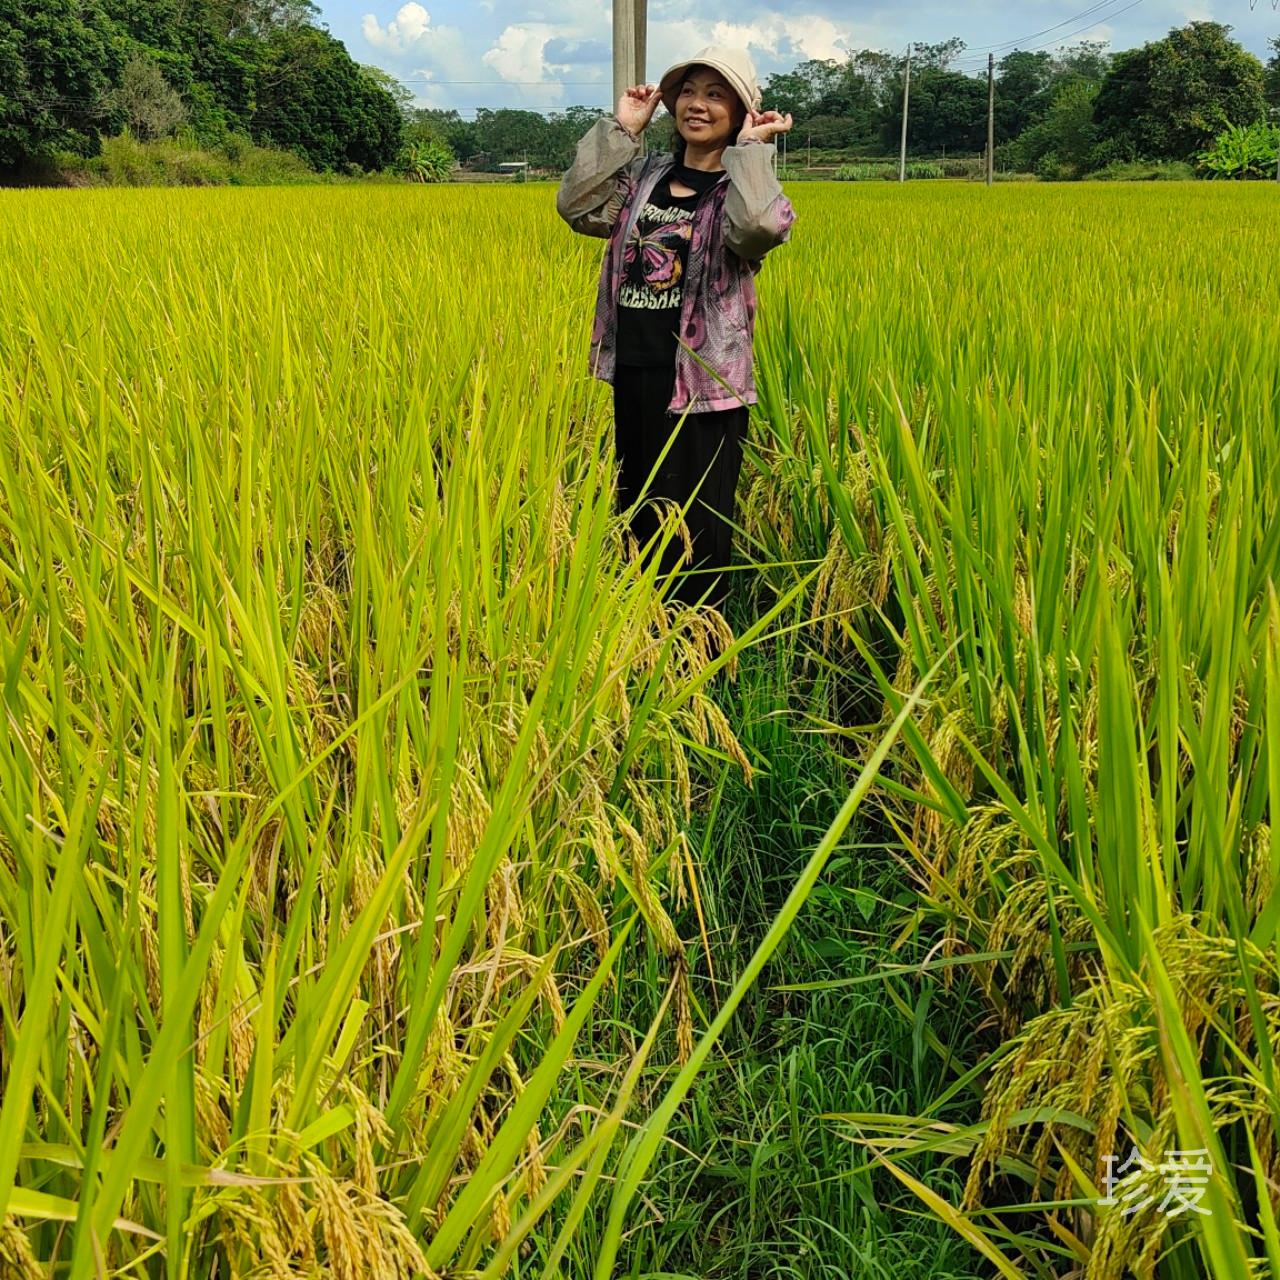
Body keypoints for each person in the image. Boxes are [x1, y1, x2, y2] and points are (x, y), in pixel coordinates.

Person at [556, 45, 795, 613]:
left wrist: (751, 154)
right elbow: (576, 206)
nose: (698, 104)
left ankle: (696, 652)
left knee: (698, 530)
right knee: (639, 509)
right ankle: (641, 634)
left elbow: (757, 229)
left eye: (717, 95)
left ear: (741, 112)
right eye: (689, 90)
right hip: (636, 370)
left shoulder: (742, 193)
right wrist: (623, 129)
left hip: (706, 388)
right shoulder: (645, 176)